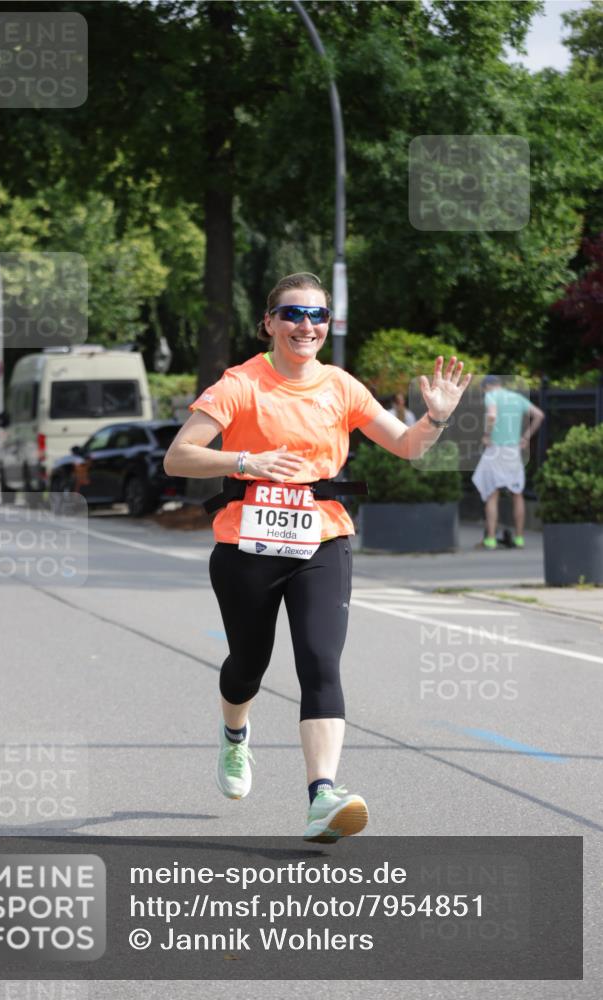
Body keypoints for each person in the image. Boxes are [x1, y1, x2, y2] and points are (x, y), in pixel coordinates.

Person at [164, 272, 471, 841]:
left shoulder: (341, 386)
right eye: (293, 314)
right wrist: (245, 463)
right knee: (247, 664)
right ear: (270, 323)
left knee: (320, 660)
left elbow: (406, 447)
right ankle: (235, 736)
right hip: (246, 545)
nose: (307, 325)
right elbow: (178, 458)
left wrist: (436, 418)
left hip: (322, 540)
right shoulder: (240, 384)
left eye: (318, 316)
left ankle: (321, 795)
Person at [472, 375, 545, 549]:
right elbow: (539, 415)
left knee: (492, 493)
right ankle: (519, 538)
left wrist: (487, 435)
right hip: (513, 451)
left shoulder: (491, 396)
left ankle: (490, 539)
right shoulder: (517, 397)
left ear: (486, 387)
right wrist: (526, 437)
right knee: (517, 493)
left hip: (496, 449)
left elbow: (491, 415)